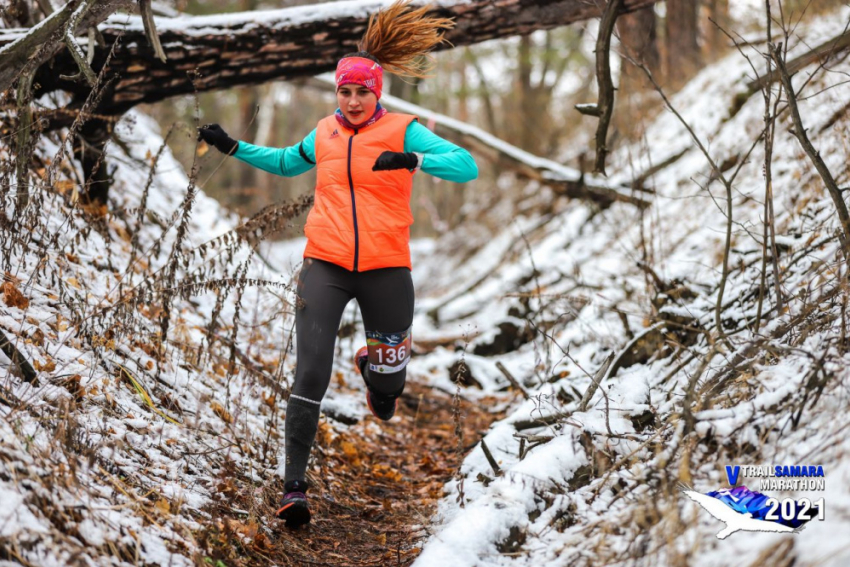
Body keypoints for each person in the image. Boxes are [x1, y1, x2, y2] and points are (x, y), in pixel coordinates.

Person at [197, 0, 477, 528]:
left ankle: (376, 374)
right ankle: (294, 488)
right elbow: (284, 161)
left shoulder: (403, 130)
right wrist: (233, 146)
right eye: (344, 92)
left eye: (361, 92)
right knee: (310, 370)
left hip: (386, 266)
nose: (351, 101)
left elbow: (467, 166)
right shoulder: (323, 132)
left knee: (391, 387)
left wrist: (414, 159)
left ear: (377, 93)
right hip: (323, 263)